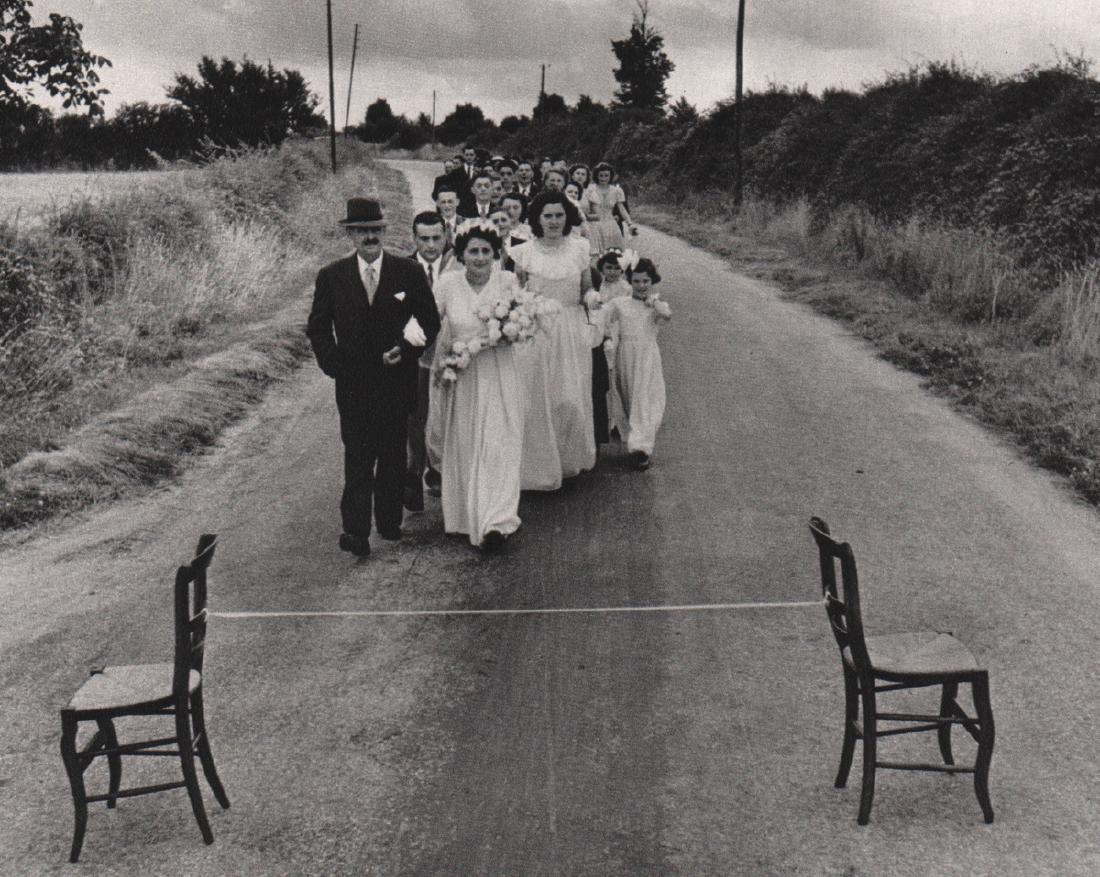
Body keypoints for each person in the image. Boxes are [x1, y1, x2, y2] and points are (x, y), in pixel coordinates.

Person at [307, 198, 441, 557]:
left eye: (375, 230)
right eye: (361, 231)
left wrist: (406, 348)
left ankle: (388, 521)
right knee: (358, 458)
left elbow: (429, 321)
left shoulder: (406, 273)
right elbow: (318, 330)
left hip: (397, 382)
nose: (369, 237)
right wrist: (336, 365)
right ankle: (356, 532)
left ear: (384, 232)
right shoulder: (331, 276)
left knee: (393, 455)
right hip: (353, 386)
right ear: (350, 235)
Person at [427, 222, 524, 552]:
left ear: (495, 254)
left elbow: (522, 326)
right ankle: (466, 515)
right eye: (473, 251)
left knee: (498, 442)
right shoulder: (448, 284)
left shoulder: (508, 281)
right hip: (464, 378)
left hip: (498, 373)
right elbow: (427, 321)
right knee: (468, 442)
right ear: (461, 254)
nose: (480, 258)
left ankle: (497, 519)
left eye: (486, 251)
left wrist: (502, 335)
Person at [509, 191, 595, 489]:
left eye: (559, 215)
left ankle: (566, 459)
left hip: (570, 332)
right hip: (536, 332)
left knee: (568, 399)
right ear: (538, 219)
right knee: (536, 400)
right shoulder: (524, 253)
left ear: (567, 217)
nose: (554, 221)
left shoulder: (581, 248)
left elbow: (586, 290)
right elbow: (517, 294)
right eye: (548, 215)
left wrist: (593, 298)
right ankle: (538, 467)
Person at [405, 211, 454, 511]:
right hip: (417, 355)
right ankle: (413, 476)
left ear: (446, 237)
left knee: (447, 413)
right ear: (414, 239)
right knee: (416, 415)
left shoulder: (457, 267)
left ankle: (440, 470)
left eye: (437, 238)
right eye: (424, 239)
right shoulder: (403, 268)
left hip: (450, 354)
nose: (431, 245)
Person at [606, 257, 670, 471]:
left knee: (645, 399)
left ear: (652, 282)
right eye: (636, 281)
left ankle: (642, 448)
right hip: (625, 356)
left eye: (645, 281)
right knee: (628, 398)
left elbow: (667, 315)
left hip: (647, 358)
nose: (641, 286)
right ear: (629, 281)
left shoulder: (655, 305)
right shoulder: (620, 303)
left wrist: (655, 304)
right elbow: (602, 318)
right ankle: (633, 438)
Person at [590, 250, 632, 444]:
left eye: (617, 268)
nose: (613, 272)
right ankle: (607, 420)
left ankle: (618, 420)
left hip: (618, 332)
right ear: (602, 268)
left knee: (618, 376)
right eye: (609, 267)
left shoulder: (626, 288)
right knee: (604, 377)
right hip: (602, 330)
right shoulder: (599, 286)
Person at [584, 161, 635, 255]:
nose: (603, 178)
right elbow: (585, 208)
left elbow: (622, 208)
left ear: (611, 176)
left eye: (606, 175)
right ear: (597, 176)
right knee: (596, 255)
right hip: (595, 226)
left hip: (611, 226)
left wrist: (629, 223)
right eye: (601, 175)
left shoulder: (616, 190)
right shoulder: (590, 189)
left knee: (613, 255)